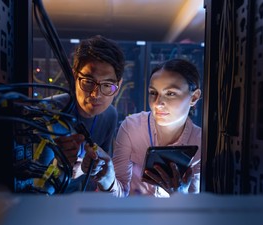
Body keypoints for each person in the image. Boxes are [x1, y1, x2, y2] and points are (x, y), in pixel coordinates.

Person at [82, 58, 202, 197]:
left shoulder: (200, 143)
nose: (158, 103)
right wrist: (107, 178)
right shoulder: (132, 127)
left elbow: (196, 211)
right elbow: (119, 193)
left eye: (170, 93)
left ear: (194, 97)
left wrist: (180, 196)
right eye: (153, 93)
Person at [40, 35, 125, 193]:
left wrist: (94, 168)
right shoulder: (46, 112)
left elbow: (100, 175)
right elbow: (33, 190)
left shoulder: (110, 115)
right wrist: (60, 166)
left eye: (107, 85)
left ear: (118, 86)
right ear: (74, 76)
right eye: (88, 81)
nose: (95, 94)